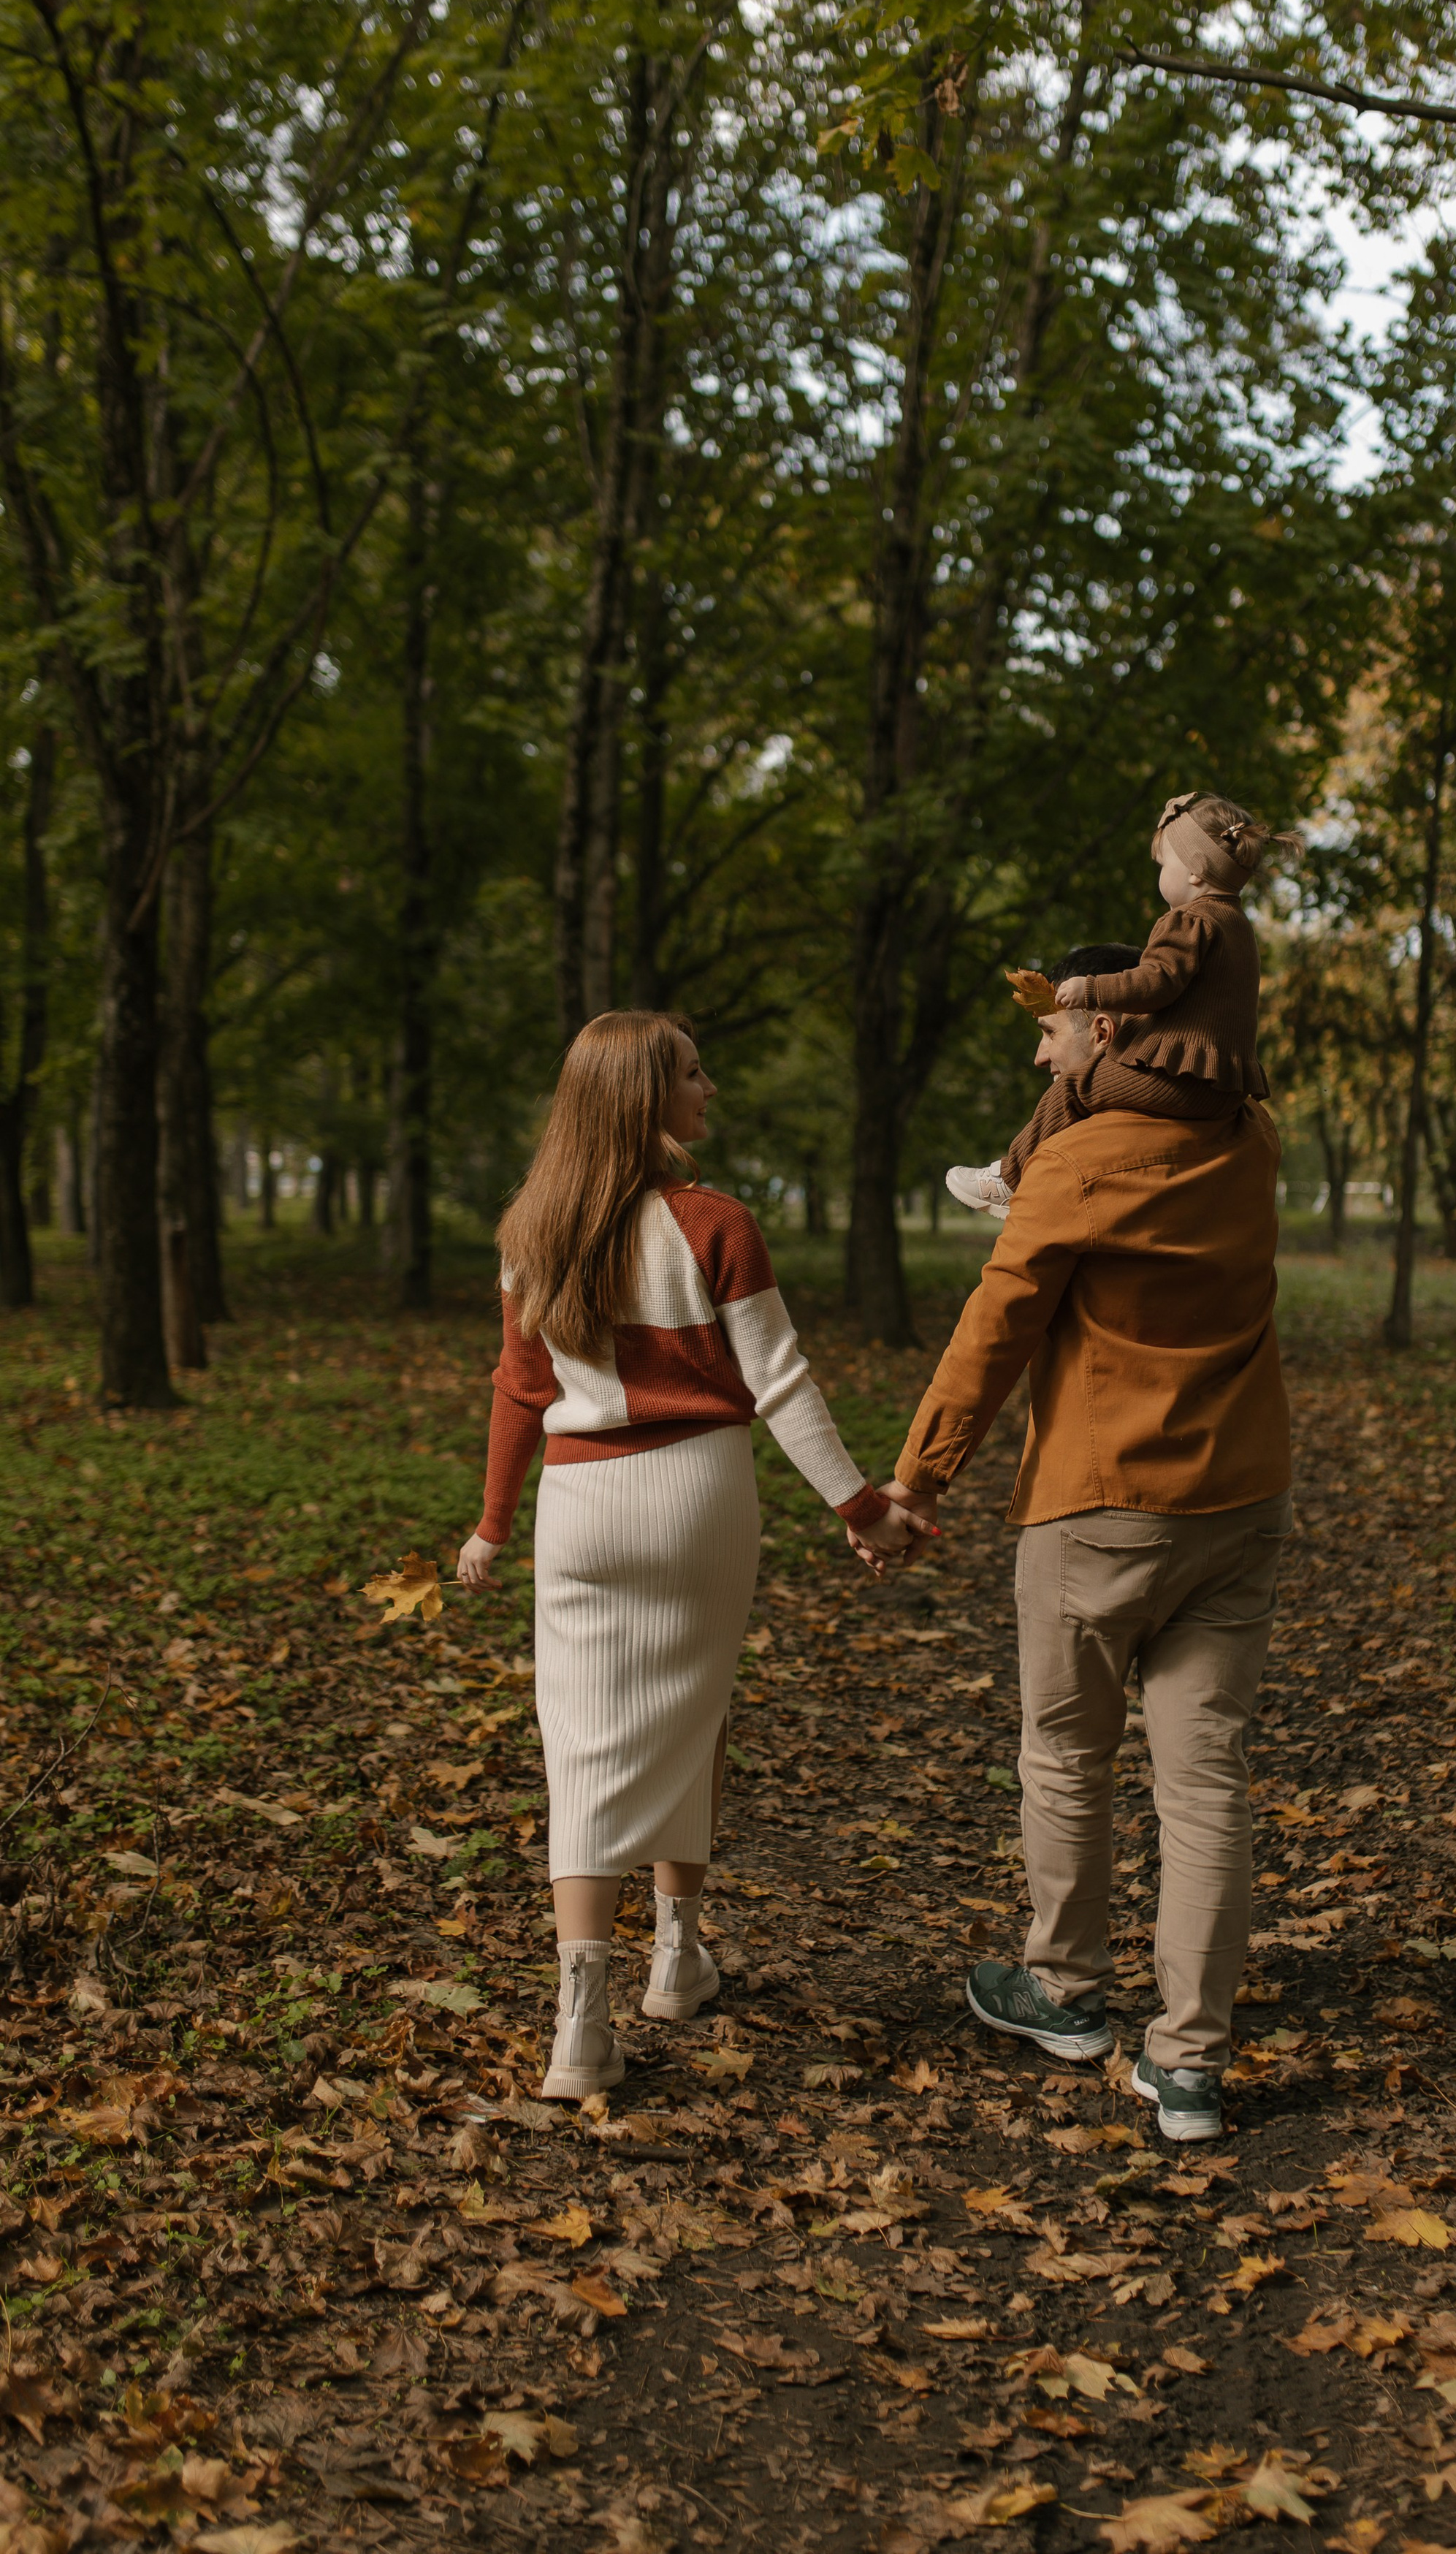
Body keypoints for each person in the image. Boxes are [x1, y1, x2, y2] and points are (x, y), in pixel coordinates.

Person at [459, 1011, 929, 2102]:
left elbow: (520, 1389)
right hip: (696, 1496)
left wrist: (493, 1521)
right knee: (694, 1710)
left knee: (578, 1742)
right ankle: (675, 1955)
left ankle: (580, 2021)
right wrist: (860, 1508)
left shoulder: (531, 1231)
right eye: (690, 1073)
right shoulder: (715, 1223)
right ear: (641, 1097)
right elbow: (780, 1386)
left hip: (578, 1503)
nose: (708, 1088)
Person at [872, 989, 1290, 2143]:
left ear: (1107, 1033)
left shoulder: (1080, 1159)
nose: (1039, 1049)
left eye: (1053, 1029)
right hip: (1240, 1497)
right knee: (1205, 1780)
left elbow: (997, 1321)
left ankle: (1063, 1991)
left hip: (1098, 1500)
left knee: (1066, 1755)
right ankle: (1191, 2066)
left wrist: (918, 1481)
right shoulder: (1252, 1139)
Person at [945, 789, 1273, 1217]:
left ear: (1195, 872)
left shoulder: (1189, 920)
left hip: (1187, 1080)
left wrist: (1093, 990)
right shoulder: (1239, 927)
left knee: (1074, 1090)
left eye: (1164, 865)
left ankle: (1009, 1180)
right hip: (1226, 1085)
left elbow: (1157, 981)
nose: (1161, 876)